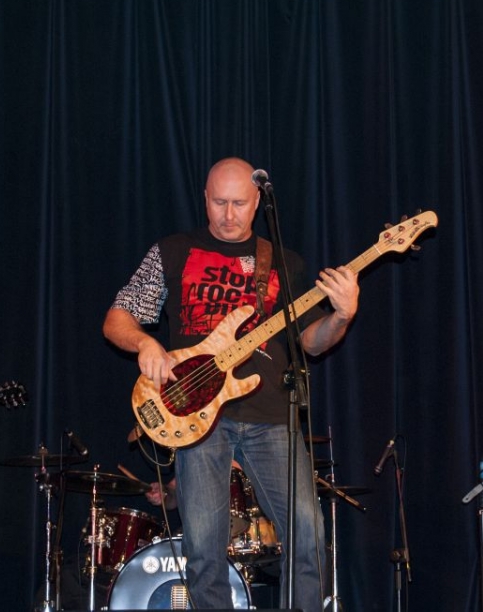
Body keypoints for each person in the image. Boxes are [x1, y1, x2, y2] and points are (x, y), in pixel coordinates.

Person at [103, 156, 358, 612]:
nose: (227, 214)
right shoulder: (173, 250)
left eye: (239, 203)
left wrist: (342, 315)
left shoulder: (284, 263)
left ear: (257, 202)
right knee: (204, 550)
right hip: (196, 417)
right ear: (204, 198)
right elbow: (117, 317)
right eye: (218, 202)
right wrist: (144, 343)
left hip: (271, 416)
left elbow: (312, 343)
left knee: (309, 534)